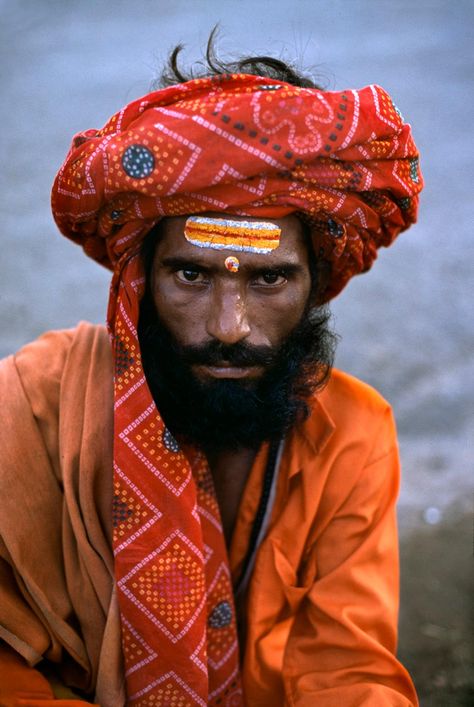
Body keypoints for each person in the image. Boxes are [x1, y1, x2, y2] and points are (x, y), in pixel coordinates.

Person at [0, 39, 423, 707]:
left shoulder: (354, 433)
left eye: (271, 278)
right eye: (191, 274)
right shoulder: (31, 406)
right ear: (141, 277)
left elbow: (349, 672)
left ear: (316, 282)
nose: (229, 326)